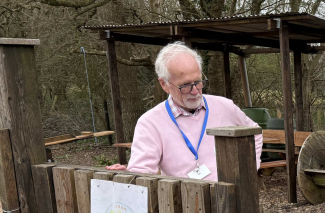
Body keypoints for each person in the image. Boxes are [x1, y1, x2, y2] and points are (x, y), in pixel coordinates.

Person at [107, 42, 262, 179]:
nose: (195, 91)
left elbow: (255, 132)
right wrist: (129, 175)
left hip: (233, 201)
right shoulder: (150, 123)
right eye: (185, 85)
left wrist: (248, 170)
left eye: (198, 82)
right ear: (164, 84)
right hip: (186, 206)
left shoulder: (224, 106)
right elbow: (142, 172)